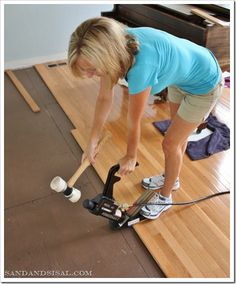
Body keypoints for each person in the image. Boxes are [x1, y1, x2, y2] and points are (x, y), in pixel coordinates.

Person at [67, 17, 224, 219]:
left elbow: (134, 120)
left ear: (106, 57)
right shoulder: (112, 44)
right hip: (180, 78)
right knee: (177, 139)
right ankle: (172, 178)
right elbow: (104, 98)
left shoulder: (141, 68)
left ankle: (165, 197)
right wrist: (92, 142)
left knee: (170, 144)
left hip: (204, 83)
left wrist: (131, 156)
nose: (89, 75)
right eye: (85, 69)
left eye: (92, 69)